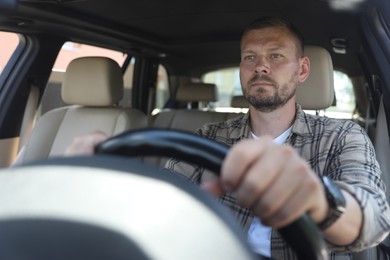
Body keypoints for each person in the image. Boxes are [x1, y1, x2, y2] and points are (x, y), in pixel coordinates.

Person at [65, 16, 390, 259]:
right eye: (250, 57)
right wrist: (102, 181)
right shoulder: (207, 136)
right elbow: (161, 201)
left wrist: (316, 198)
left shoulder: (342, 136)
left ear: (302, 70)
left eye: (275, 56)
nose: (260, 67)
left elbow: (374, 219)